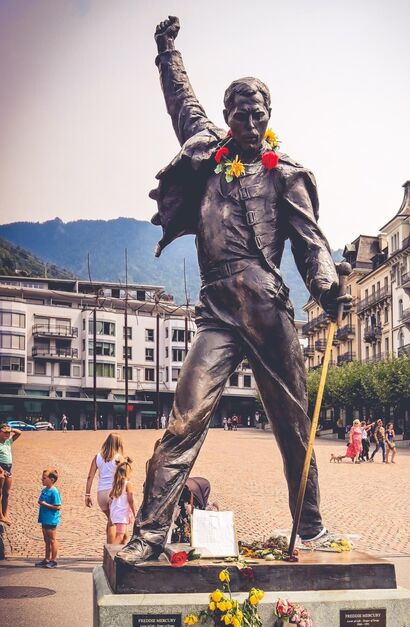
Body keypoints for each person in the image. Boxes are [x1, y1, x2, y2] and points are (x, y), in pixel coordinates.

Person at [117, 15, 351, 564]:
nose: (248, 120)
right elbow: (181, 99)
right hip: (217, 311)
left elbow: (311, 243)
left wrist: (327, 285)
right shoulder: (207, 155)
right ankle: (150, 533)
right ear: (227, 117)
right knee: (184, 420)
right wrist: (166, 50)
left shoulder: (285, 174)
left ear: (269, 117)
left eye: (257, 113)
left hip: (269, 310)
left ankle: (311, 526)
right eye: (239, 113)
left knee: (294, 426)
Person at [84, 432, 125, 543]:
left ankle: (120, 544)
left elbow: (90, 477)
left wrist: (87, 494)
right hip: (113, 493)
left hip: (101, 493)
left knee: (111, 521)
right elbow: (124, 478)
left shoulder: (97, 457)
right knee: (112, 523)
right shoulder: (119, 458)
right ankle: (110, 553)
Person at [35, 468, 62, 568]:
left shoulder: (54, 491)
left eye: (44, 478)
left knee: (52, 540)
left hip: (51, 519)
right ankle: (46, 559)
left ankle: (53, 560)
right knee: (46, 540)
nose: (42, 479)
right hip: (44, 518)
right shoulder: (44, 490)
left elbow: (58, 506)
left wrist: (45, 504)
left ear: (52, 480)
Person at [109, 457, 136, 545]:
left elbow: (111, 496)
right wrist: (135, 513)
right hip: (122, 514)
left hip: (116, 512)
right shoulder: (128, 484)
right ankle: (111, 553)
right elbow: (130, 500)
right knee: (120, 535)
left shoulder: (117, 483)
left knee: (125, 536)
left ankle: (120, 553)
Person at [0, 424, 21, 525]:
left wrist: (10, 429)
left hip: (8, 469)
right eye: (4, 432)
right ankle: (1, 516)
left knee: (6, 493)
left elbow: (19, 433)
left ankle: (5, 514)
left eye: (8, 433)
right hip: (0, 468)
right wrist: (1, 471)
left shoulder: (8, 441)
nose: (7, 434)